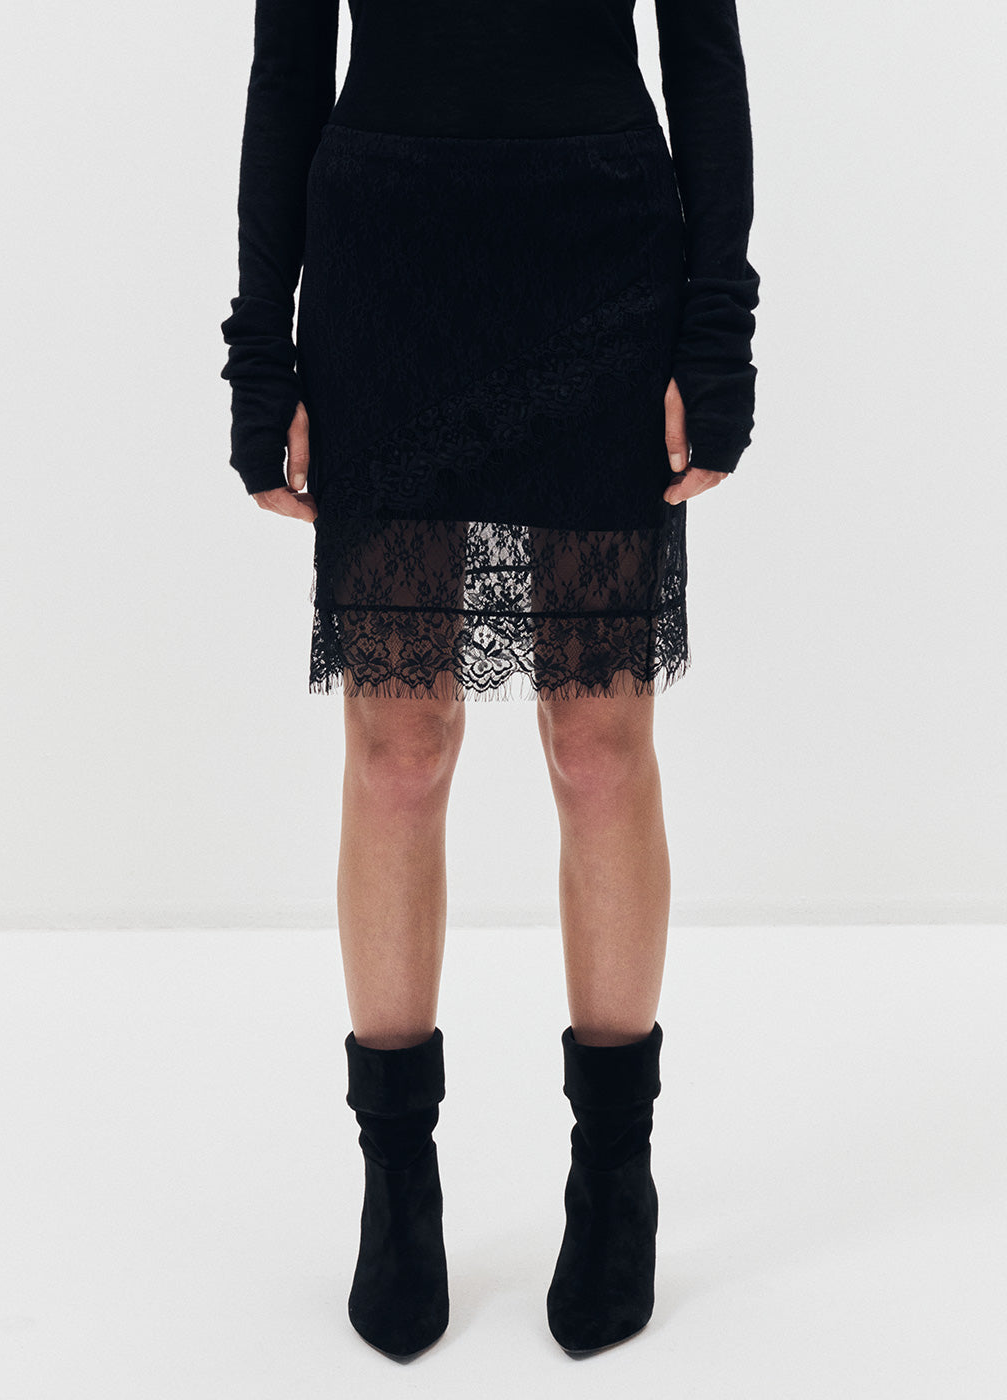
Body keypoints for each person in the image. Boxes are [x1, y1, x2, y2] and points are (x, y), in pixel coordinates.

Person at [220, 0, 759, 1362]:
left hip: (600, 250)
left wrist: (717, 330)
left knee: (598, 741)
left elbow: (703, 49)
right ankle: (396, 1183)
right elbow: (289, 60)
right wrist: (262, 347)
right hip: (387, 255)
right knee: (397, 747)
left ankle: (614, 1172)